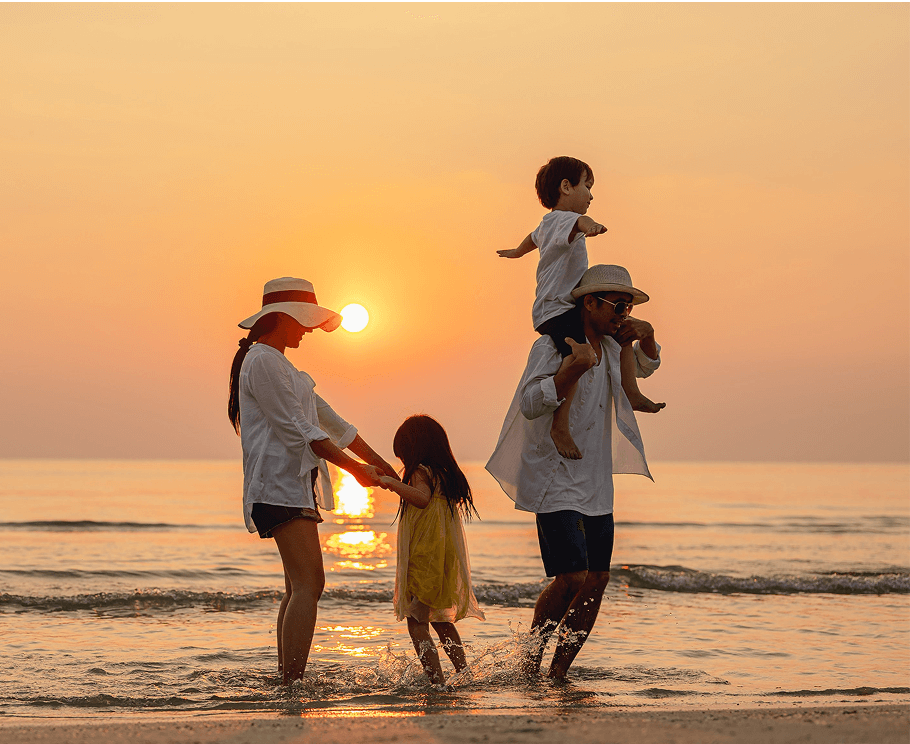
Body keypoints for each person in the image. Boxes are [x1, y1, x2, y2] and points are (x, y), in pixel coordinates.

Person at [486, 264, 661, 680]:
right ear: (590, 302)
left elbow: (646, 366)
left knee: (597, 578)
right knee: (571, 576)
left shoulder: (614, 348)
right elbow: (530, 403)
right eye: (617, 305)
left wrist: (648, 334)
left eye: (629, 307)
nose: (623, 314)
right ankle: (530, 662)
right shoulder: (553, 346)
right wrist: (571, 368)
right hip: (554, 476)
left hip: (596, 481)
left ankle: (558, 673)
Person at [227, 276, 399, 684]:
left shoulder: (283, 366)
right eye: (303, 321)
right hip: (277, 486)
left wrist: (383, 465)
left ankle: (286, 680)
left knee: (298, 587)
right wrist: (356, 471)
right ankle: (292, 683)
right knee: (310, 584)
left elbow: (333, 423)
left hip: (292, 485)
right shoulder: (263, 360)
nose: (308, 330)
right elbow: (300, 430)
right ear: (283, 318)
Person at [497, 156, 664, 461]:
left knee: (623, 334)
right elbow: (580, 222)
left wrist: (516, 252)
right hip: (557, 310)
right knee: (577, 358)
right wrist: (592, 226)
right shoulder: (562, 220)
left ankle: (632, 392)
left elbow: (530, 240)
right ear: (565, 187)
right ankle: (560, 425)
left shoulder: (546, 227)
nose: (591, 194)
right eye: (587, 186)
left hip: (560, 308)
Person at [379, 415, 485, 685]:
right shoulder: (446, 474)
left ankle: (436, 680)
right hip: (443, 556)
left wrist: (392, 484)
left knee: (416, 620)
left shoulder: (420, 472)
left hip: (424, 556)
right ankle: (463, 674)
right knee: (441, 621)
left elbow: (423, 500)